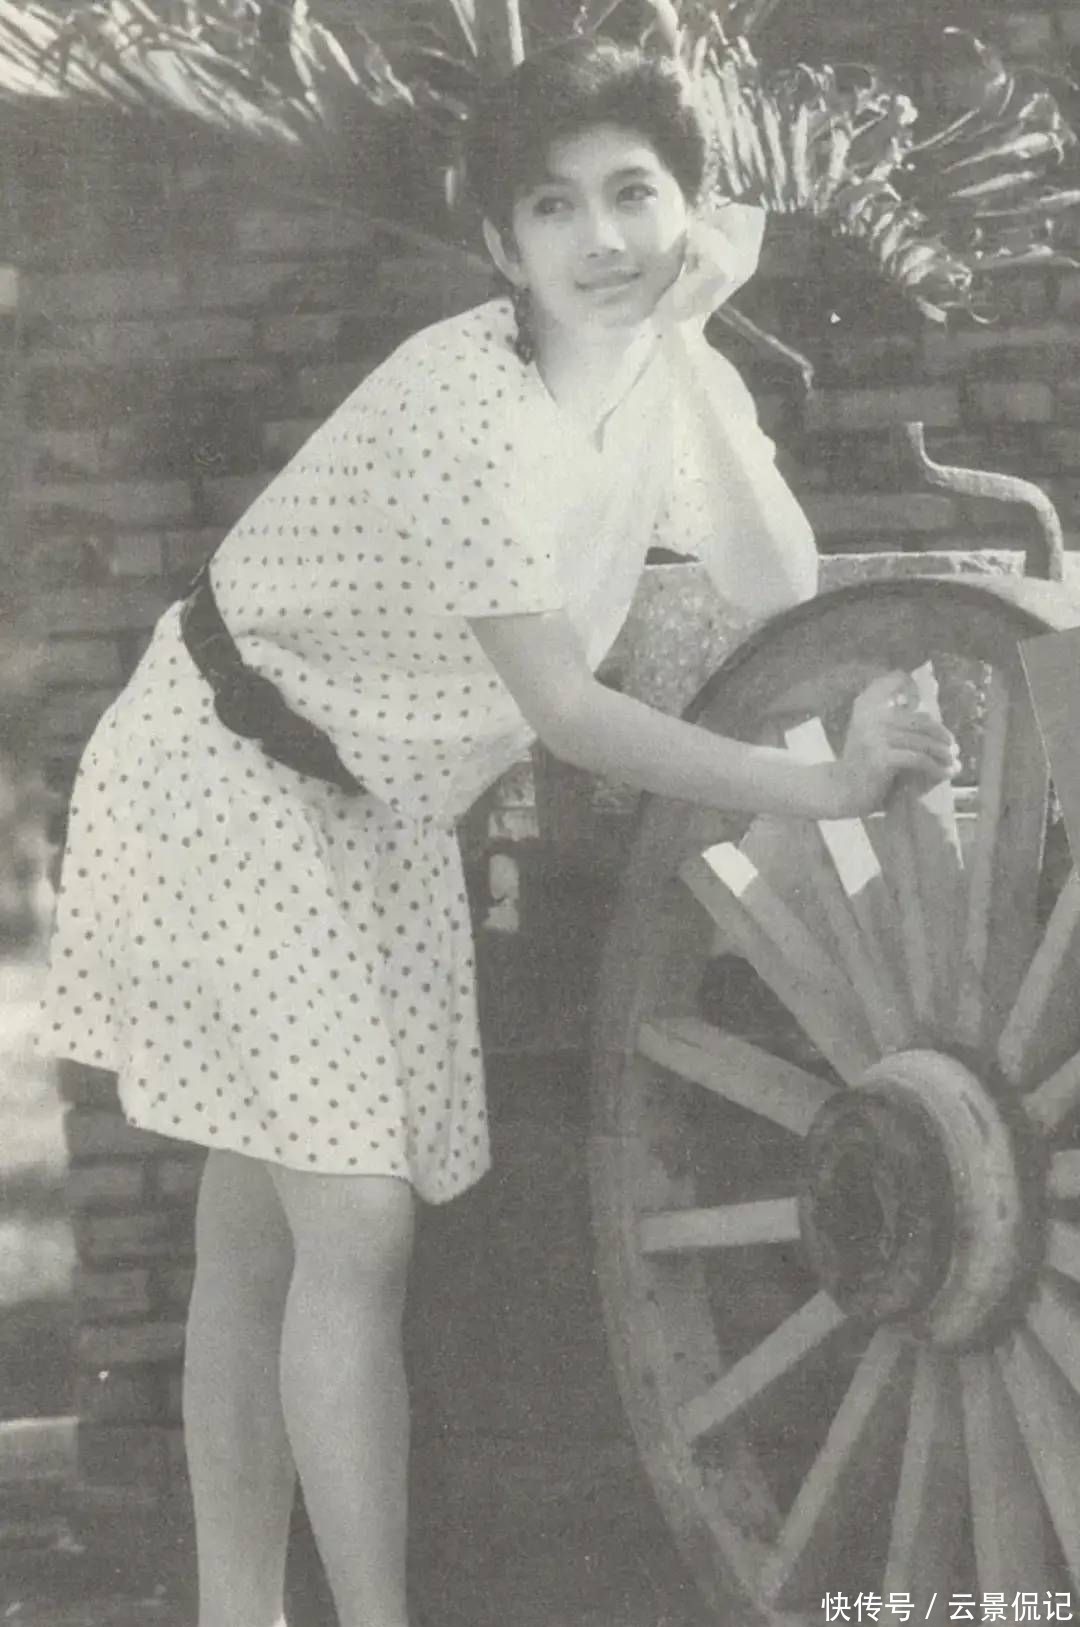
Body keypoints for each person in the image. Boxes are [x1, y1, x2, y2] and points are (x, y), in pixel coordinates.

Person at [39, 36, 956, 1627]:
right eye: (554, 206)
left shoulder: (661, 372)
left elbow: (775, 582)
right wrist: (818, 788)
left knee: (259, 1242)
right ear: (499, 244)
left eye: (635, 195)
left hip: (370, 811)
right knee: (356, 1226)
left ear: (692, 213)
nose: (603, 238)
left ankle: (239, 1615)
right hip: (221, 780)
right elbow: (568, 714)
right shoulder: (459, 402)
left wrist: (696, 343)